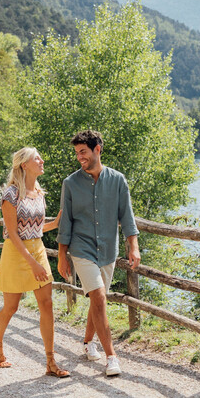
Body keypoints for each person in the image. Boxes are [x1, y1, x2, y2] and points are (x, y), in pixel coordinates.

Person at [57, 130, 140, 376]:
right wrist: (63, 255)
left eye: (83, 151)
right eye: (76, 153)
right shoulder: (70, 184)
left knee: (97, 299)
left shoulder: (118, 180)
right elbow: (66, 223)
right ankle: (111, 356)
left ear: (97, 150)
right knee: (100, 297)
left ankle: (87, 341)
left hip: (108, 250)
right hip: (81, 249)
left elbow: (127, 216)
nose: (79, 157)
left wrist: (133, 245)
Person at [0, 147, 69, 378]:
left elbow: (35, 228)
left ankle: (50, 361)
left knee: (46, 304)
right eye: (37, 158)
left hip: (38, 249)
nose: (42, 160)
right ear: (24, 164)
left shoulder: (39, 192)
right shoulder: (11, 195)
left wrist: (55, 223)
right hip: (16, 253)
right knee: (11, 307)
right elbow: (14, 233)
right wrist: (32, 263)